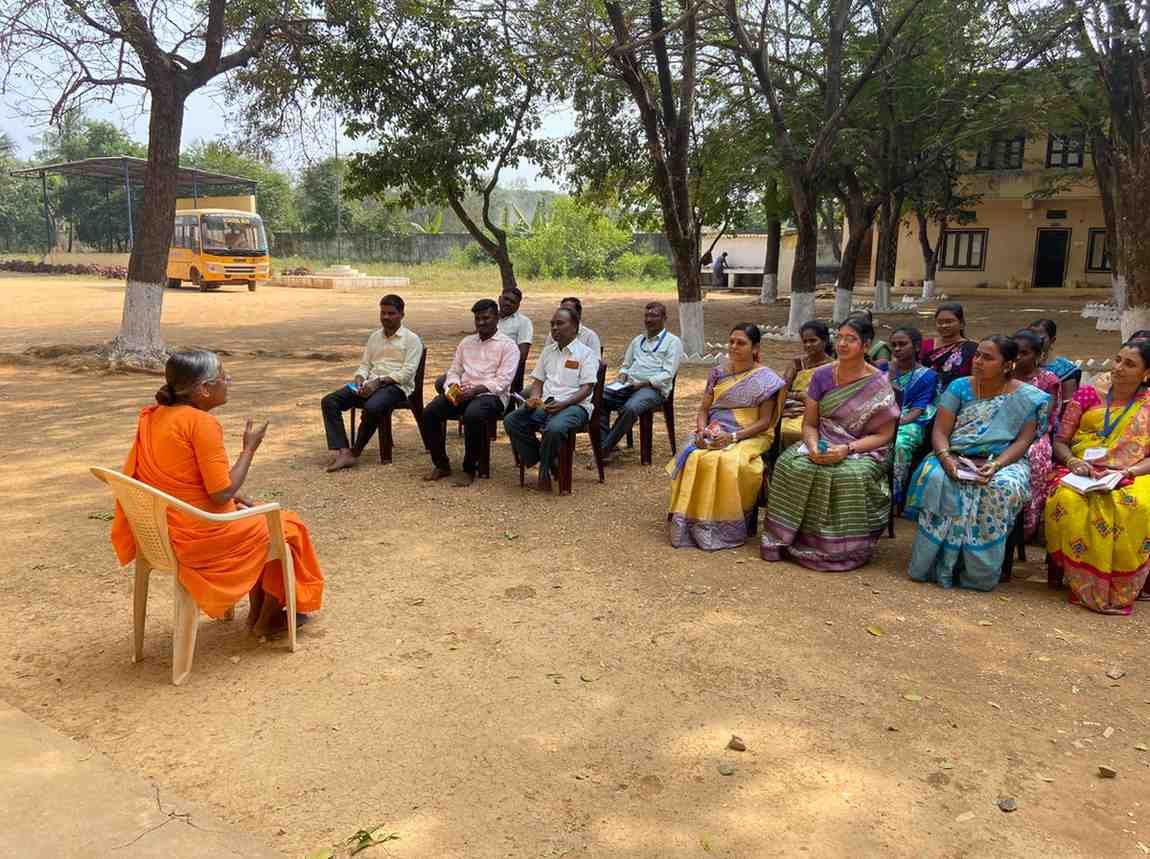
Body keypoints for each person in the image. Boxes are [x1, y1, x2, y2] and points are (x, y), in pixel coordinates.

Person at [110, 350, 324, 637]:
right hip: (198, 535)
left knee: (260, 517)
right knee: (287, 526)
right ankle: (266, 620)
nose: (228, 380)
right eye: (223, 376)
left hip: (162, 530)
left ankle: (257, 615)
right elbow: (221, 493)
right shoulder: (201, 423)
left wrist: (232, 499)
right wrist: (249, 449)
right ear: (204, 389)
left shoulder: (153, 416)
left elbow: (181, 479)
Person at [905, 336, 1050, 591]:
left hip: (1004, 460)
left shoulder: (1027, 397)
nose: (978, 361)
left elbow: (1023, 441)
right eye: (978, 355)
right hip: (954, 454)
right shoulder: (959, 387)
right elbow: (940, 431)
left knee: (1001, 488)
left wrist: (996, 465)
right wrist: (946, 460)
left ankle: (976, 574)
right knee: (938, 478)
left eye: (988, 358)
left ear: (1007, 365)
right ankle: (934, 566)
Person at [761, 317, 899, 570]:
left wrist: (846, 449)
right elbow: (810, 424)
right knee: (790, 465)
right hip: (823, 439)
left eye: (851, 339)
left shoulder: (878, 383)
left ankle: (841, 550)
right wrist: (813, 446)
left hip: (863, 447)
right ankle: (789, 538)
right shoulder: (822, 375)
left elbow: (884, 435)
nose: (843, 344)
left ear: (866, 346)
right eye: (840, 337)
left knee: (848, 475)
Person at [1045, 340, 1150, 614]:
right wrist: (1073, 461)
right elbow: (1061, 441)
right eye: (1118, 359)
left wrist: (1128, 471)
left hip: (1134, 472)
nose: (1118, 368)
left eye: (1129, 364)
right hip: (1080, 470)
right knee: (1068, 500)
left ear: (1146, 373)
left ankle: (1119, 587)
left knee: (1136, 505)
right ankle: (1082, 583)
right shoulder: (1088, 395)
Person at [667, 324, 784, 550]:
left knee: (726, 460)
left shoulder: (766, 379)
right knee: (694, 456)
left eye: (741, 343)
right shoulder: (717, 373)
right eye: (731, 342)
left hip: (750, 434)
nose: (734, 347)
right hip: (715, 430)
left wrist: (732, 437)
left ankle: (724, 526)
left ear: (755, 348)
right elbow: (704, 409)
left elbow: (764, 422)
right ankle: (692, 522)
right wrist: (702, 431)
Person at [420, 299, 520, 487]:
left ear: (496, 318)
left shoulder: (508, 346)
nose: (481, 323)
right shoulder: (466, 342)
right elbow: (454, 371)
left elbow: (502, 382)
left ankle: (469, 469)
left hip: (492, 396)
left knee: (473, 415)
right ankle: (441, 465)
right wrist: (453, 387)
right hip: (463, 392)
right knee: (430, 412)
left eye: (486, 318)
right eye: (477, 319)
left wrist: (474, 391)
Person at [320, 294, 423, 471]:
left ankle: (355, 452)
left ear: (402, 315)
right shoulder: (375, 337)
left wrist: (379, 382)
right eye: (383, 313)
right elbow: (365, 365)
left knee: (373, 407)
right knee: (330, 401)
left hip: (396, 387)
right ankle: (343, 450)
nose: (386, 317)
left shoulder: (412, 339)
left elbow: (406, 374)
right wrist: (360, 379)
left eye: (391, 313)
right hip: (369, 384)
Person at [504, 307, 599, 492]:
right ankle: (544, 461)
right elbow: (538, 382)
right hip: (546, 404)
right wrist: (534, 398)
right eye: (552, 324)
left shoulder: (586, 354)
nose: (554, 328)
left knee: (554, 428)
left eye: (560, 324)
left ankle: (544, 472)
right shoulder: (548, 351)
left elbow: (587, 388)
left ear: (575, 327)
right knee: (511, 421)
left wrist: (564, 404)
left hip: (575, 406)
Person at [599, 301, 683, 462]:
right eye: (646, 316)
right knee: (598, 398)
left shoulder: (673, 342)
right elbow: (626, 365)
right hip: (629, 385)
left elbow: (668, 374)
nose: (649, 320)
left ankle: (603, 449)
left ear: (664, 318)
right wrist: (622, 376)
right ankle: (609, 445)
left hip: (653, 389)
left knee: (630, 408)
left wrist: (644, 383)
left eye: (654, 316)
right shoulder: (638, 340)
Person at [1012, 328, 1063, 539]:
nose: (1018, 357)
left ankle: (1027, 524)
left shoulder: (1048, 380)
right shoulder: (1002, 374)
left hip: (1036, 433)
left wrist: (1022, 433)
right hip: (1001, 429)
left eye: (1024, 353)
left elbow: (1045, 417)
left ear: (1038, 355)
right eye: (1014, 351)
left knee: (1035, 453)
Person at [887, 327, 938, 505]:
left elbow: (919, 409)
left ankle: (894, 495)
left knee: (899, 444)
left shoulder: (927, 376)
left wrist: (898, 422)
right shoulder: (883, 369)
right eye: (894, 345)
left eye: (902, 344)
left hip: (910, 421)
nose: (897, 348)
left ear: (916, 347)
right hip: (882, 417)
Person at [779, 321, 834, 448]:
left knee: (799, 432)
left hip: (817, 413)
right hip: (793, 410)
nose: (808, 345)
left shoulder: (834, 367)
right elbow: (782, 390)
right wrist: (800, 396)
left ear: (825, 341)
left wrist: (810, 400)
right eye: (805, 341)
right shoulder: (797, 364)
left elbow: (832, 398)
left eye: (813, 340)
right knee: (779, 429)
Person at [924, 302, 978, 393]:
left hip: (959, 396)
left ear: (961, 324)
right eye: (939, 322)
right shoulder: (925, 345)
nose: (944, 325)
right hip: (925, 396)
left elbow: (975, 378)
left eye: (949, 321)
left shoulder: (972, 348)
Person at [1030, 318, 1079, 402]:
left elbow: (1069, 404)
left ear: (1052, 340)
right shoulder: (1020, 363)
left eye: (1040, 339)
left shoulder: (1066, 369)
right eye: (1031, 338)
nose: (1035, 343)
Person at [497, 286, 534, 365]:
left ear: (518, 306)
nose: (508, 303)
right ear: (499, 299)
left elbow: (522, 356)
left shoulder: (523, 322)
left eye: (512, 302)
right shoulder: (489, 318)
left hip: (508, 367)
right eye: (506, 299)